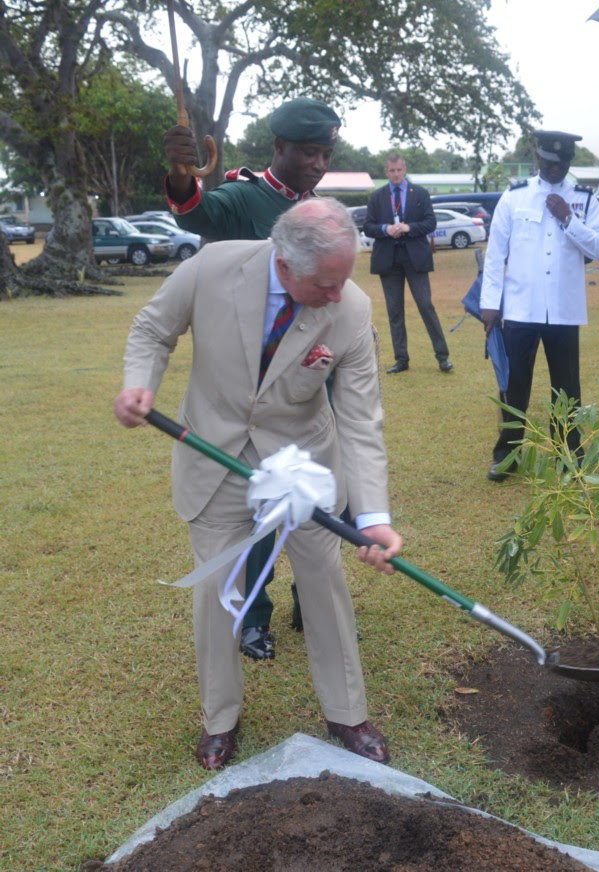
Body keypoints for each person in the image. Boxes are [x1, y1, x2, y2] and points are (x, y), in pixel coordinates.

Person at [114, 199, 398, 769]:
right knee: (218, 592)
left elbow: (362, 421)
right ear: (285, 264)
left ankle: (347, 712)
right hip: (213, 454)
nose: (339, 294)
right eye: (327, 282)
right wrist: (138, 384)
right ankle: (221, 719)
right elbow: (152, 328)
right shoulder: (212, 267)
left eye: (345, 279)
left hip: (302, 470)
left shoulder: (350, 308)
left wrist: (372, 517)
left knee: (323, 584)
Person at [162, 97, 342, 660]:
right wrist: (179, 172)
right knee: (262, 504)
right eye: (308, 152)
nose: (317, 163)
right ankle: (253, 615)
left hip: (318, 375)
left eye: (325, 153)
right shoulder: (244, 196)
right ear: (279, 148)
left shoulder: (323, 209)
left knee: (314, 501)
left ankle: (308, 602)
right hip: (258, 385)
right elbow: (195, 211)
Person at [479, 129, 599, 481]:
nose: (556, 169)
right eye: (550, 162)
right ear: (537, 158)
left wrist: (570, 219)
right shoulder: (514, 197)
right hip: (521, 309)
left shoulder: (584, 200)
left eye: (563, 163)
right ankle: (507, 455)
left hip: (565, 312)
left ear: (569, 162)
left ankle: (569, 454)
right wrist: (489, 304)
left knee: (566, 389)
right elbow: (495, 255)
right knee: (514, 386)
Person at [364, 153, 452, 374]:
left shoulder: (420, 193)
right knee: (395, 311)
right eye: (391, 171)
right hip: (388, 259)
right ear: (386, 172)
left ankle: (443, 357)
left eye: (399, 170)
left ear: (404, 170)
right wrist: (386, 229)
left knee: (425, 305)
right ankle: (401, 359)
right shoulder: (377, 196)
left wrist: (408, 227)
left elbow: (430, 222)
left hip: (415, 258)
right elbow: (368, 226)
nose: (395, 174)